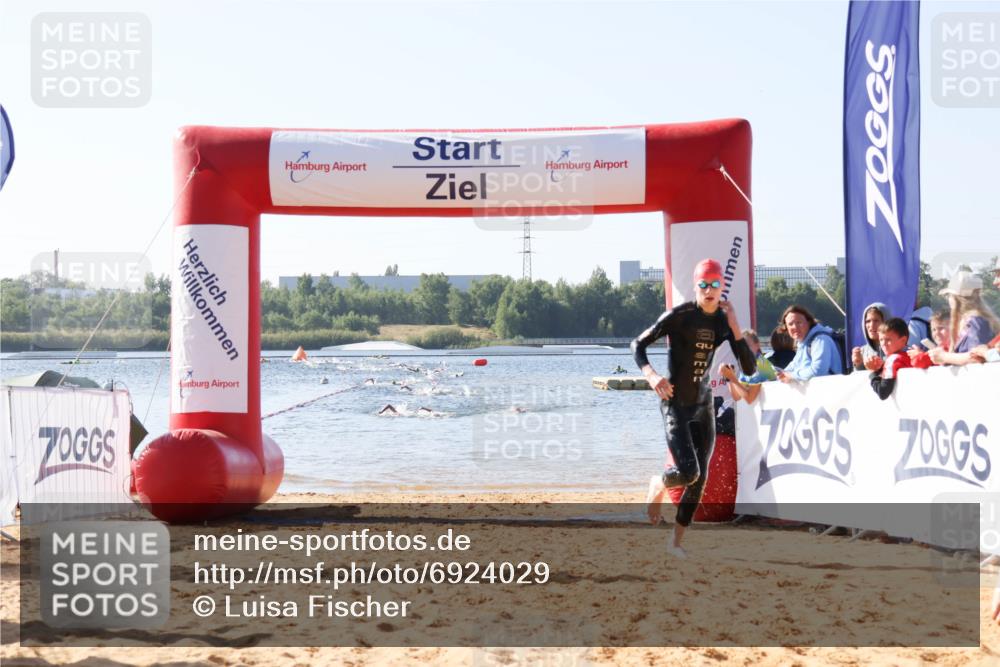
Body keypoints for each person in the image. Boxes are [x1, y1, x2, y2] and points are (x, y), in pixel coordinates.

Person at [633, 258, 756, 559]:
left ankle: (675, 542)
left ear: (722, 286)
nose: (709, 290)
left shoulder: (723, 322)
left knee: (699, 479)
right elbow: (638, 344)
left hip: (703, 405)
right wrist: (651, 375)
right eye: (703, 284)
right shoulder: (680, 316)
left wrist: (735, 328)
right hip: (675, 403)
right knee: (688, 471)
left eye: (715, 284)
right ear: (695, 286)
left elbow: (750, 368)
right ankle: (658, 482)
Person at [927, 270, 1000, 366]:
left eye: (949, 295)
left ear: (957, 298)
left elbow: (976, 358)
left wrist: (944, 356)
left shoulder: (975, 321)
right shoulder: (973, 320)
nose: (949, 299)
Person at [776, 305, 844, 383]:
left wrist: (791, 376)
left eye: (799, 322)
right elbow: (792, 367)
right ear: (786, 328)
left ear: (809, 322)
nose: (795, 327)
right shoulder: (802, 344)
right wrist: (779, 374)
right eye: (790, 324)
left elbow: (818, 371)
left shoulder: (821, 340)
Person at [717, 329, 777, 405]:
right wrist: (729, 378)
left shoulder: (761, 365)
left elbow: (749, 399)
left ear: (757, 345)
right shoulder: (748, 365)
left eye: (747, 346)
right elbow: (737, 397)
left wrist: (732, 378)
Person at [868, 318, 911, 400]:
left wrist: (873, 373)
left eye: (888, 339)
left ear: (903, 340)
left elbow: (883, 393)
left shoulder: (892, 360)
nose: (883, 344)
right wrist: (881, 368)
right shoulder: (913, 355)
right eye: (881, 340)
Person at [851, 302, 890, 371]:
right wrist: (858, 365)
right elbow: (860, 377)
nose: (871, 325)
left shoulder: (898, 348)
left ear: (886, 322)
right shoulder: (862, 352)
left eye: (876, 321)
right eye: (868, 321)